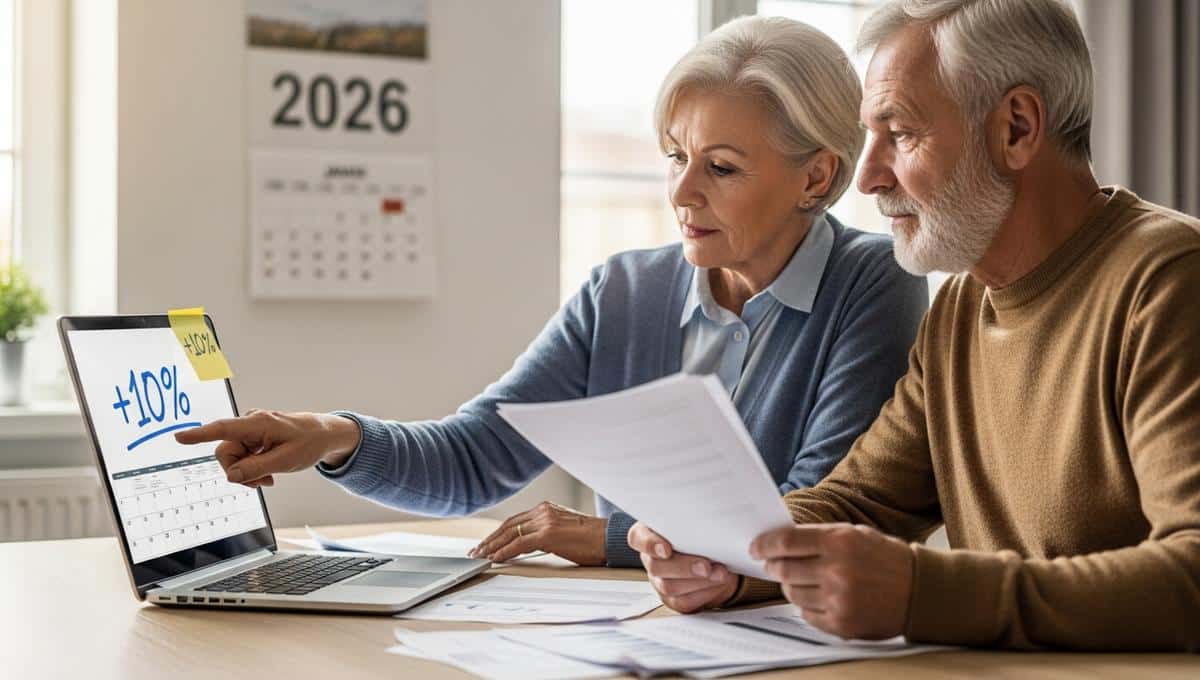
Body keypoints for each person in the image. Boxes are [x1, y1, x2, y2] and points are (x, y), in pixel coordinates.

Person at [177, 16, 927, 568]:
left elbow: (815, 522)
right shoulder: (622, 293)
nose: (684, 193)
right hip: (630, 635)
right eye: (674, 157)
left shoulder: (874, 284)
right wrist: (335, 436)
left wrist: (606, 539)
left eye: (722, 168)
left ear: (817, 177)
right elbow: (477, 458)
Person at [630, 0, 1200, 651]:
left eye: (898, 134)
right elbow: (857, 503)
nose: (867, 177)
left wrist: (925, 593)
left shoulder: (1169, 280)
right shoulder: (960, 309)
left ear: (1016, 128)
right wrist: (720, 554)